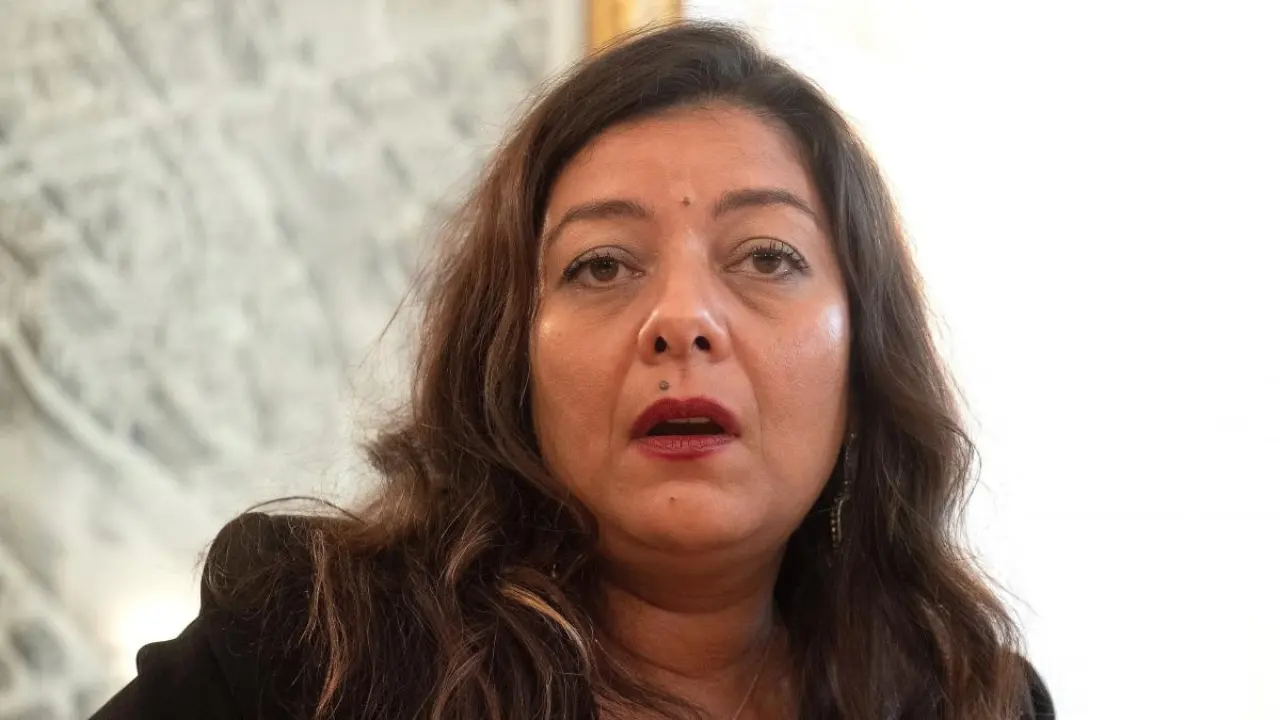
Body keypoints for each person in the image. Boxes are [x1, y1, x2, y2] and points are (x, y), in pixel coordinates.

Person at [92, 21, 1054, 720]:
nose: (683, 320)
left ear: (864, 356)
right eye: (601, 266)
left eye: (767, 256)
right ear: (511, 363)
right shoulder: (310, 650)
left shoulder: (968, 698)